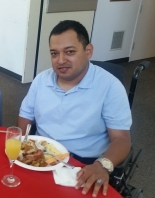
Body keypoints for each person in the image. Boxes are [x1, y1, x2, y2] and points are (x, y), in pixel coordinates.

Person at [17, 20, 131, 197]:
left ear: (88, 51)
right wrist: (22, 147)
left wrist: (102, 165)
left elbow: (122, 139)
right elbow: (25, 116)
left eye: (69, 52)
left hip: (83, 164)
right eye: (54, 53)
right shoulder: (41, 80)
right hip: (41, 155)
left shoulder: (110, 87)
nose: (61, 60)